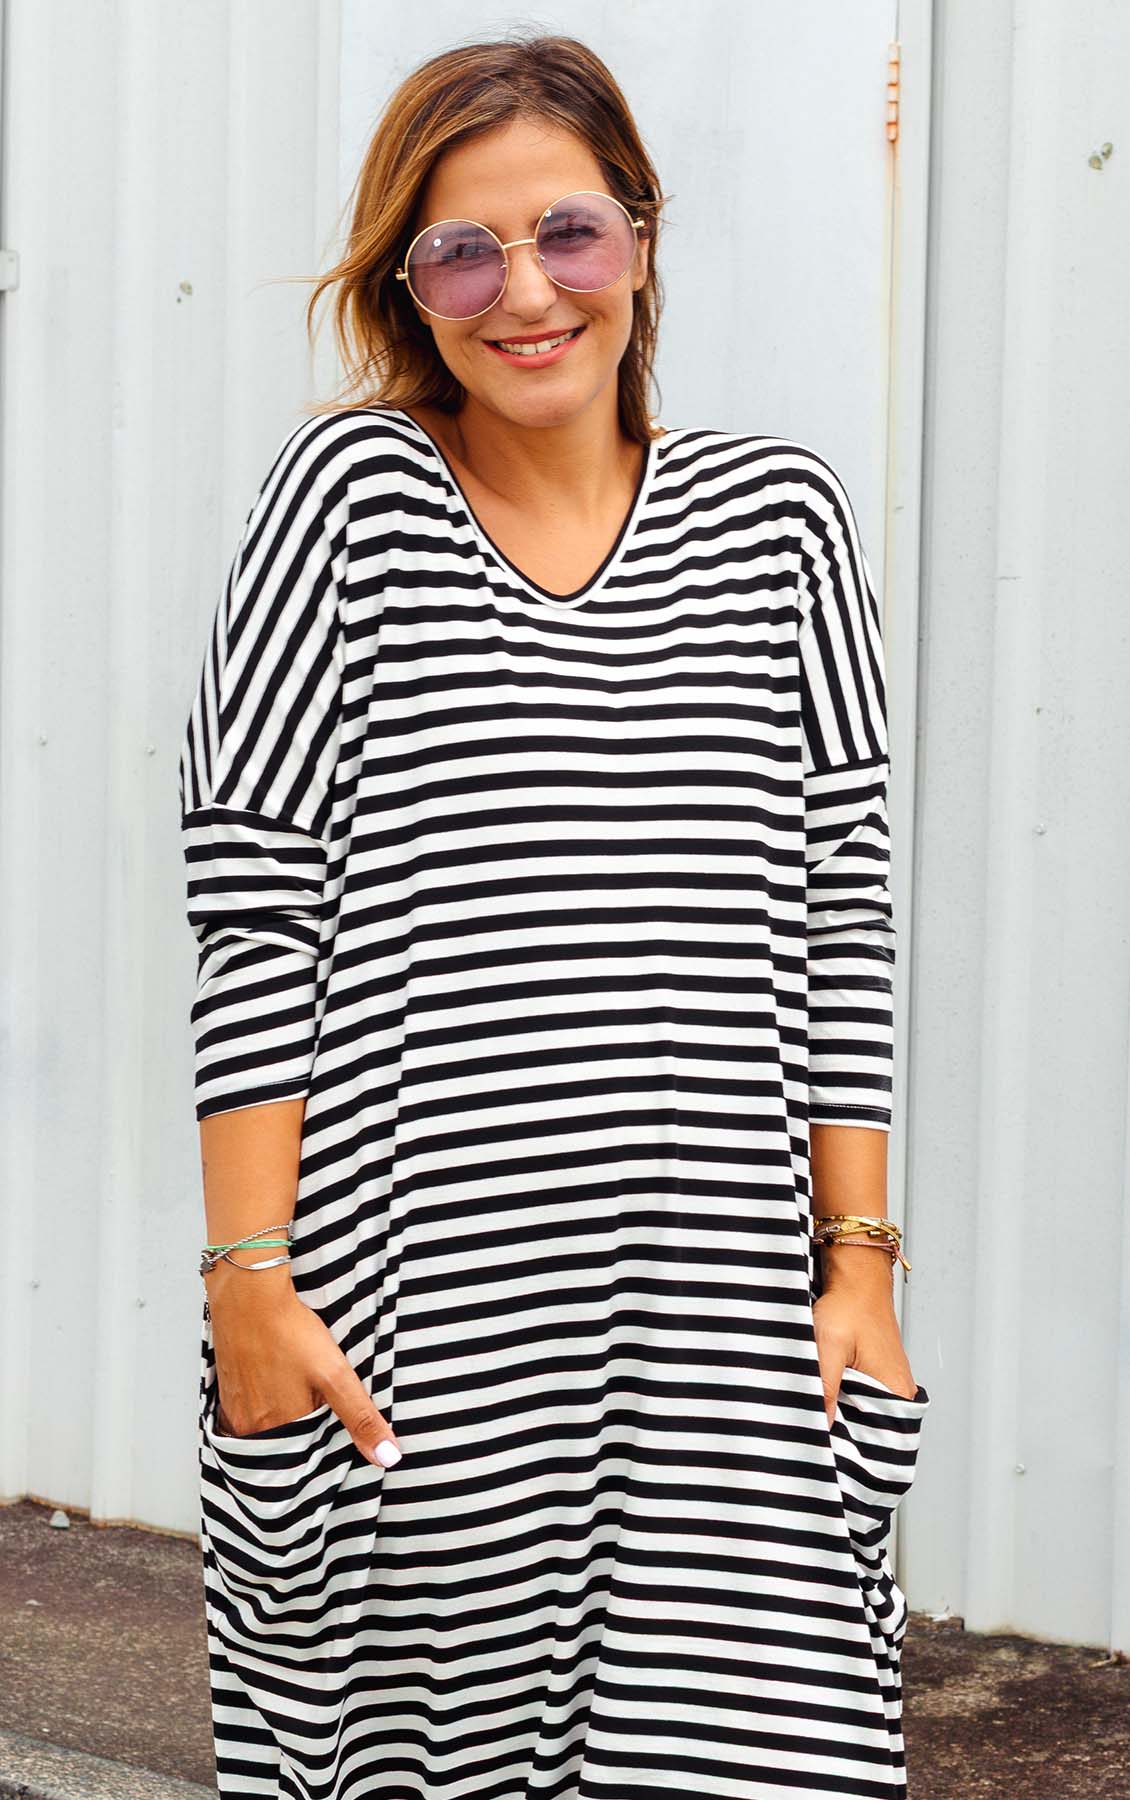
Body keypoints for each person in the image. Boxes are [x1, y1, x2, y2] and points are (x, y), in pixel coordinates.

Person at [178, 29, 931, 1800]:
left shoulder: (784, 524)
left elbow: (844, 912)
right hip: (416, 1338)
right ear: (408, 285)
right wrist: (249, 1287)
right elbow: (254, 913)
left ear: (642, 239)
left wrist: (862, 1268)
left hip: (723, 1348)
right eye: (463, 252)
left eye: (569, 233)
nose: (525, 293)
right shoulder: (346, 507)